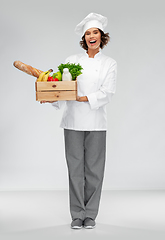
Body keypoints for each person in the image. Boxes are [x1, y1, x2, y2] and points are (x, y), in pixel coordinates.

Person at [41, 12, 117, 229]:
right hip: (72, 121)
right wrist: (51, 99)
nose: (92, 36)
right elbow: (64, 89)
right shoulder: (71, 61)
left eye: (95, 32)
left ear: (102, 37)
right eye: (88, 33)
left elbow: (108, 92)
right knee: (75, 169)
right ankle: (77, 214)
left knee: (94, 170)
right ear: (84, 39)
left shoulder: (109, 63)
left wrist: (85, 98)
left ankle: (90, 214)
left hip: (96, 122)